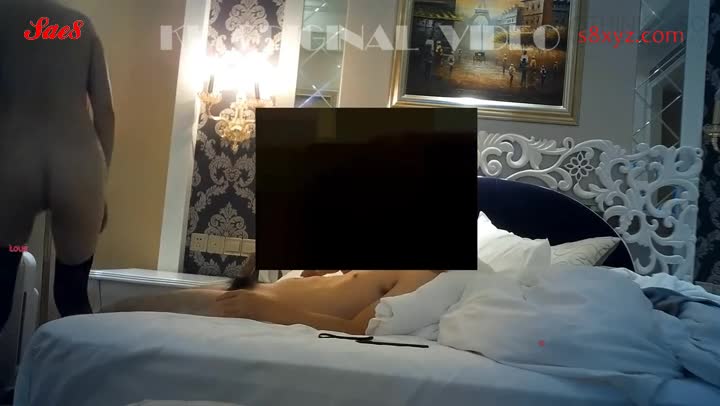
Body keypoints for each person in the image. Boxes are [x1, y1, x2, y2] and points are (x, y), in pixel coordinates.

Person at [0, 1, 114, 332]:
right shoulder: (80, 25)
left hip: (14, 163)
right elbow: (105, 111)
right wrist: (101, 185)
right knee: (72, 296)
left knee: (3, 278)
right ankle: (81, 366)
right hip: (78, 167)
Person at [103, 254, 445, 335]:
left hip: (261, 305)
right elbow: (342, 288)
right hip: (259, 293)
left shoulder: (422, 277)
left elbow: (357, 329)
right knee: (125, 309)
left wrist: (265, 310)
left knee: (129, 312)